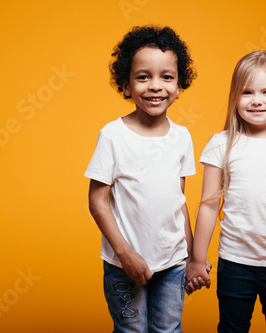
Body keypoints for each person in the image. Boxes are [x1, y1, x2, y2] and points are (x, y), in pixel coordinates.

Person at [185, 50, 266, 333]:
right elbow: (208, 205)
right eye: (247, 92)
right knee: (232, 328)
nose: (257, 100)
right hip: (234, 264)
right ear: (235, 98)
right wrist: (196, 259)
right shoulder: (221, 144)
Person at [85, 25, 198, 332]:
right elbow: (98, 203)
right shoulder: (112, 135)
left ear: (178, 85)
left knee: (168, 330)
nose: (155, 86)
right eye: (143, 76)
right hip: (125, 265)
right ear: (126, 85)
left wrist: (191, 258)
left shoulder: (182, 137)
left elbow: (180, 201)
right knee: (131, 331)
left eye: (167, 77)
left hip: (173, 263)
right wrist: (125, 254)